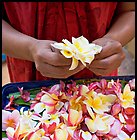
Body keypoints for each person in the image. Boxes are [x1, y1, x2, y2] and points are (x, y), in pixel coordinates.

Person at [2, 2, 135, 82]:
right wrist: (29, 49)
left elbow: (130, 11)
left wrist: (113, 39)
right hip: (29, 74)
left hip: (100, 75)